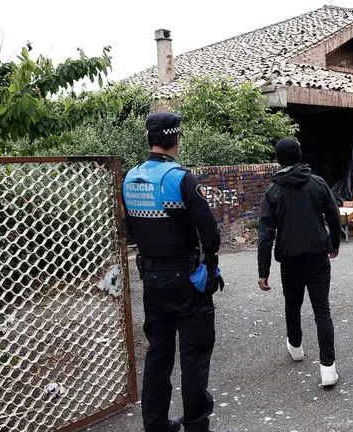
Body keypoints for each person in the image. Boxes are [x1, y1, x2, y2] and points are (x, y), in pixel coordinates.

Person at [122, 112, 227, 432]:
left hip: (152, 279)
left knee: (158, 354)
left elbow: (128, 229)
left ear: (149, 139)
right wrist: (210, 261)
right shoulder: (181, 179)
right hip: (187, 280)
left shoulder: (130, 178)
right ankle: (196, 425)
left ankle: (155, 424)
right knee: (194, 355)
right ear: (176, 139)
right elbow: (209, 234)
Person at [257, 138, 342, 387]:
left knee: (292, 305)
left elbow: (265, 235)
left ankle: (295, 347)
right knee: (322, 311)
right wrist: (334, 244)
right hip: (317, 257)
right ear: (300, 155)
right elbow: (334, 216)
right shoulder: (317, 183)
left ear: (278, 160)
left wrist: (263, 271)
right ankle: (328, 368)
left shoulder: (273, 191)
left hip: (289, 261)